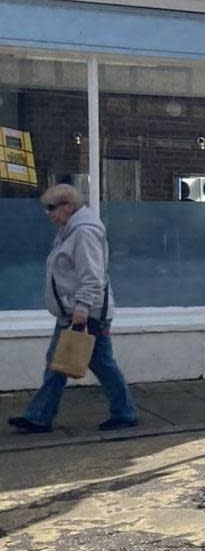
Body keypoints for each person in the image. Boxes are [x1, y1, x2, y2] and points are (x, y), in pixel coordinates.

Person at [7, 184, 138, 434]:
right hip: (73, 310)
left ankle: (124, 413)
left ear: (68, 206)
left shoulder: (84, 233)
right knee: (58, 363)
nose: (48, 214)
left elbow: (92, 274)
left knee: (101, 364)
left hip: (86, 312)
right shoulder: (69, 230)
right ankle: (39, 417)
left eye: (51, 208)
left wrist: (83, 306)